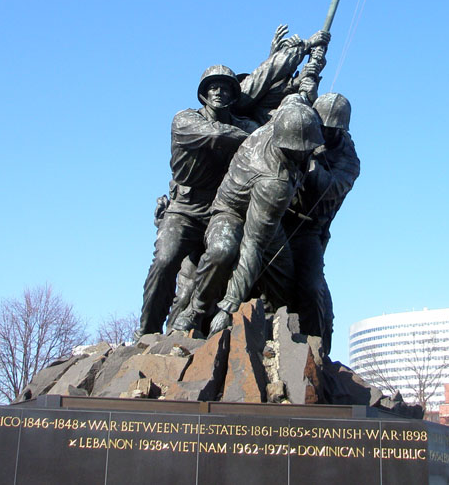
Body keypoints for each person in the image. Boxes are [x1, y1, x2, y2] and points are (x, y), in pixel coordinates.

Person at [137, 27, 327, 336]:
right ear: (203, 92)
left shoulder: (248, 125)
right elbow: (219, 134)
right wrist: (300, 47)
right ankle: (147, 332)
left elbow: (276, 100)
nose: (220, 93)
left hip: (225, 207)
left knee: (231, 254)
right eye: (213, 87)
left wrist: (310, 67)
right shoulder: (186, 120)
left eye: (226, 88)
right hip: (187, 209)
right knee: (166, 260)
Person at [171, 94, 324, 335]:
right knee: (223, 250)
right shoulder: (276, 181)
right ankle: (196, 311)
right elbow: (253, 245)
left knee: (284, 278)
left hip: (266, 218)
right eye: (300, 150)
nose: (305, 153)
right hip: (231, 212)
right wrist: (229, 307)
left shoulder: (280, 122)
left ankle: (276, 330)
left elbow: (294, 100)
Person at [282, 92, 359, 355]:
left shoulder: (348, 159)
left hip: (309, 230)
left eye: (331, 129)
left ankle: (315, 355)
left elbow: (332, 187)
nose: (324, 132)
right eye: (321, 126)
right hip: (279, 219)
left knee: (313, 289)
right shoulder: (307, 128)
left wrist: (308, 158)